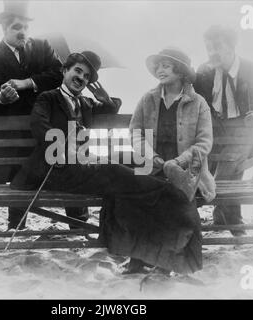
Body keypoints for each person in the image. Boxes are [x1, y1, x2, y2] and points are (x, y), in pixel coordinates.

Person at [11, 51, 203, 275]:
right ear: (65, 71)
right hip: (52, 170)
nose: (81, 78)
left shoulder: (84, 103)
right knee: (115, 172)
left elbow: (110, 107)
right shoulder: (48, 98)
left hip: (79, 169)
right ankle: (172, 194)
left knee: (126, 183)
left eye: (86, 76)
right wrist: (62, 151)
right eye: (77, 71)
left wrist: (105, 97)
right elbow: (39, 126)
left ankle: (156, 227)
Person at [128, 47, 215, 272]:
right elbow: (135, 132)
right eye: (158, 66)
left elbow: (204, 143)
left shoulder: (198, 103)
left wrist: (179, 161)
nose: (160, 69)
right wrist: (151, 156)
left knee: (176, 201)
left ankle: (168, 261)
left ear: (181, 71)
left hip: (188, 169)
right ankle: (138, 260)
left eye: (166, 65)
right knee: (134, 200)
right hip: (153, 165)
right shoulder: (148, 99)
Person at [0, 0, 63, 230]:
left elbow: (58, 74)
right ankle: (17, 225)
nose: (23, 31)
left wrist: (26, 83)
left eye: (26, 26)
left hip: (43, 122)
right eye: (17, 27)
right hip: (11, 127)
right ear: (4, 29)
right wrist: (2, 97)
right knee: (19, 172)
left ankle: (78, 223)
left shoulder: (42, 47)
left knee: (63, 163)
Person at [194, 25, 253, 235]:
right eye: (208, 47)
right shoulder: (204, 72)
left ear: (232, 46)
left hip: (245, 133)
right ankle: (227, 217)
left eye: (217, 47)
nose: (212, 53)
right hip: (215, 132)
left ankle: (208, 200)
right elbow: (196, 104)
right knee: (213, 162)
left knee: (228, 164)